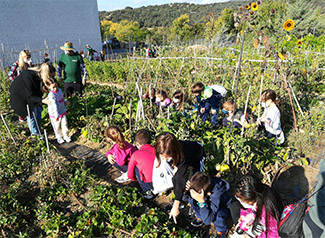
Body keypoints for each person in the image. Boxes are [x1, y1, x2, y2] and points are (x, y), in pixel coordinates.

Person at [155, 132, 205, 224]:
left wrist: (176, 205)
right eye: (163, 157)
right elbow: (178, 178)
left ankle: (199, 214)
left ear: (173, 152)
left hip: (196, 157)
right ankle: (182, 199)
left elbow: (181, 178)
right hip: (182, 160)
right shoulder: (164, 148)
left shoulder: (183, 156)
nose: (165, 160)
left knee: (194, 186)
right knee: (176, 180)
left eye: (167, 157)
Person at [10, 63, 55, 137]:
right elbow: (30, 96)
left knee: (38, 110)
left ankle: (38, 130)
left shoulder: (38, 76)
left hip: (30, 96)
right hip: (20, 99)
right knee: (32, 113)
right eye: (51, 76)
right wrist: (42, 100)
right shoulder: (29, 76)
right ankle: (35, 135)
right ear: (47, 74)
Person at [186, 172, 232, 237]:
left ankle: (222, 231)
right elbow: (185, 199)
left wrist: (201, 201)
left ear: (208, 193)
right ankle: (200, 217)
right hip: (208, 200)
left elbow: (207, 221)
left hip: (222, 208)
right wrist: (185, 192)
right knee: (191, 200)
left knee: (218, 216)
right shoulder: (204, 184)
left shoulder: (217, 195)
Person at [127, 129, 155, 199]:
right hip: (161, 180)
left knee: (136, 168)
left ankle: (147, 191)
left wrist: (135, 180)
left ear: (137, 144)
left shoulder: (136, 154)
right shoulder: (157, 150)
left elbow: (130, 174)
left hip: (150, 183)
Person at [8, 50, 33, 122]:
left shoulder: (28, 65)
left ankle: (27, 114)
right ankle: (21, 116)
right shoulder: (16, 64)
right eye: (27, 57)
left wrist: (31, 65)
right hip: (19, 86)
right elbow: (10, 74)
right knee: (21, 101)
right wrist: (15, 82)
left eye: (29, 57)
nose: (28, 59)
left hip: (27, 84)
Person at [45, 78, 71, 144]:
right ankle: (59, 137)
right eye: (53, 87)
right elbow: (54, 105)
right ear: (49, 87)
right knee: (57, 127)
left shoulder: (59, 90)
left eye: (56, 86)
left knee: (64, 124)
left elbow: (61, 98)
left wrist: (65, 102)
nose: (55, 88)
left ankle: (65, 135)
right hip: (54, 114)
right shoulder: (51, 95)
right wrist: (56, 115)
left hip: (62, 111)